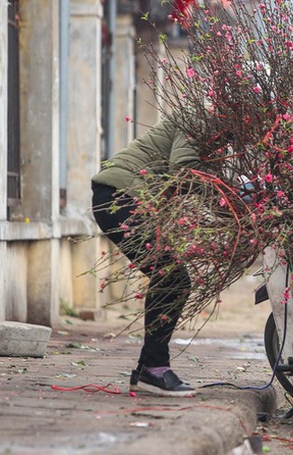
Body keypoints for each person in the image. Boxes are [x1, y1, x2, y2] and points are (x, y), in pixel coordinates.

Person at [91, 118, 200, 397]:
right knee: (172, 277)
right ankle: (154, 368)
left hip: (126, 197)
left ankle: (147, 369)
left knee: (170, 276)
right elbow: (184, 167)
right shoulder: (201, 119)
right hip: (119, 197)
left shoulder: (211, 125)